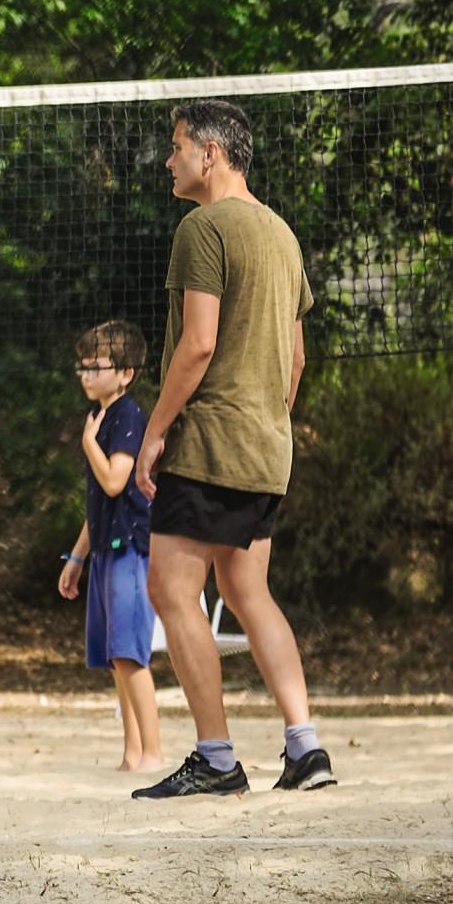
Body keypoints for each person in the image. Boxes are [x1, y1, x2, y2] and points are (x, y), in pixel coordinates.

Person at [132, 99, 333, 797]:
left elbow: (199, 342)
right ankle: (306, 747)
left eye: (177, 146)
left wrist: (154, 431)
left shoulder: (203, 225)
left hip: (211, 440)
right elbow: (298, 359)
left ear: (210, 154)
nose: (169, 160)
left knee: (168, 587)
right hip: (266, 443)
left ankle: (216, 759)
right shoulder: (281, 233)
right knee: (248, 590)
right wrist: (268, 422)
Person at [55, 318, 164, 772]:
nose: (86, 374)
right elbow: (99, 500)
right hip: (103, 549)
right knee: (116, 659)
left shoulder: (128, 416)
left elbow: (117, 480)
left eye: (96, 366)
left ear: (125, 374)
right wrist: (77, 557)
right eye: (83, 366)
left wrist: (87, 443)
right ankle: (131, 754)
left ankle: (153, 753)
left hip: (130, 549)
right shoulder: (102, 417)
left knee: (129, 653)